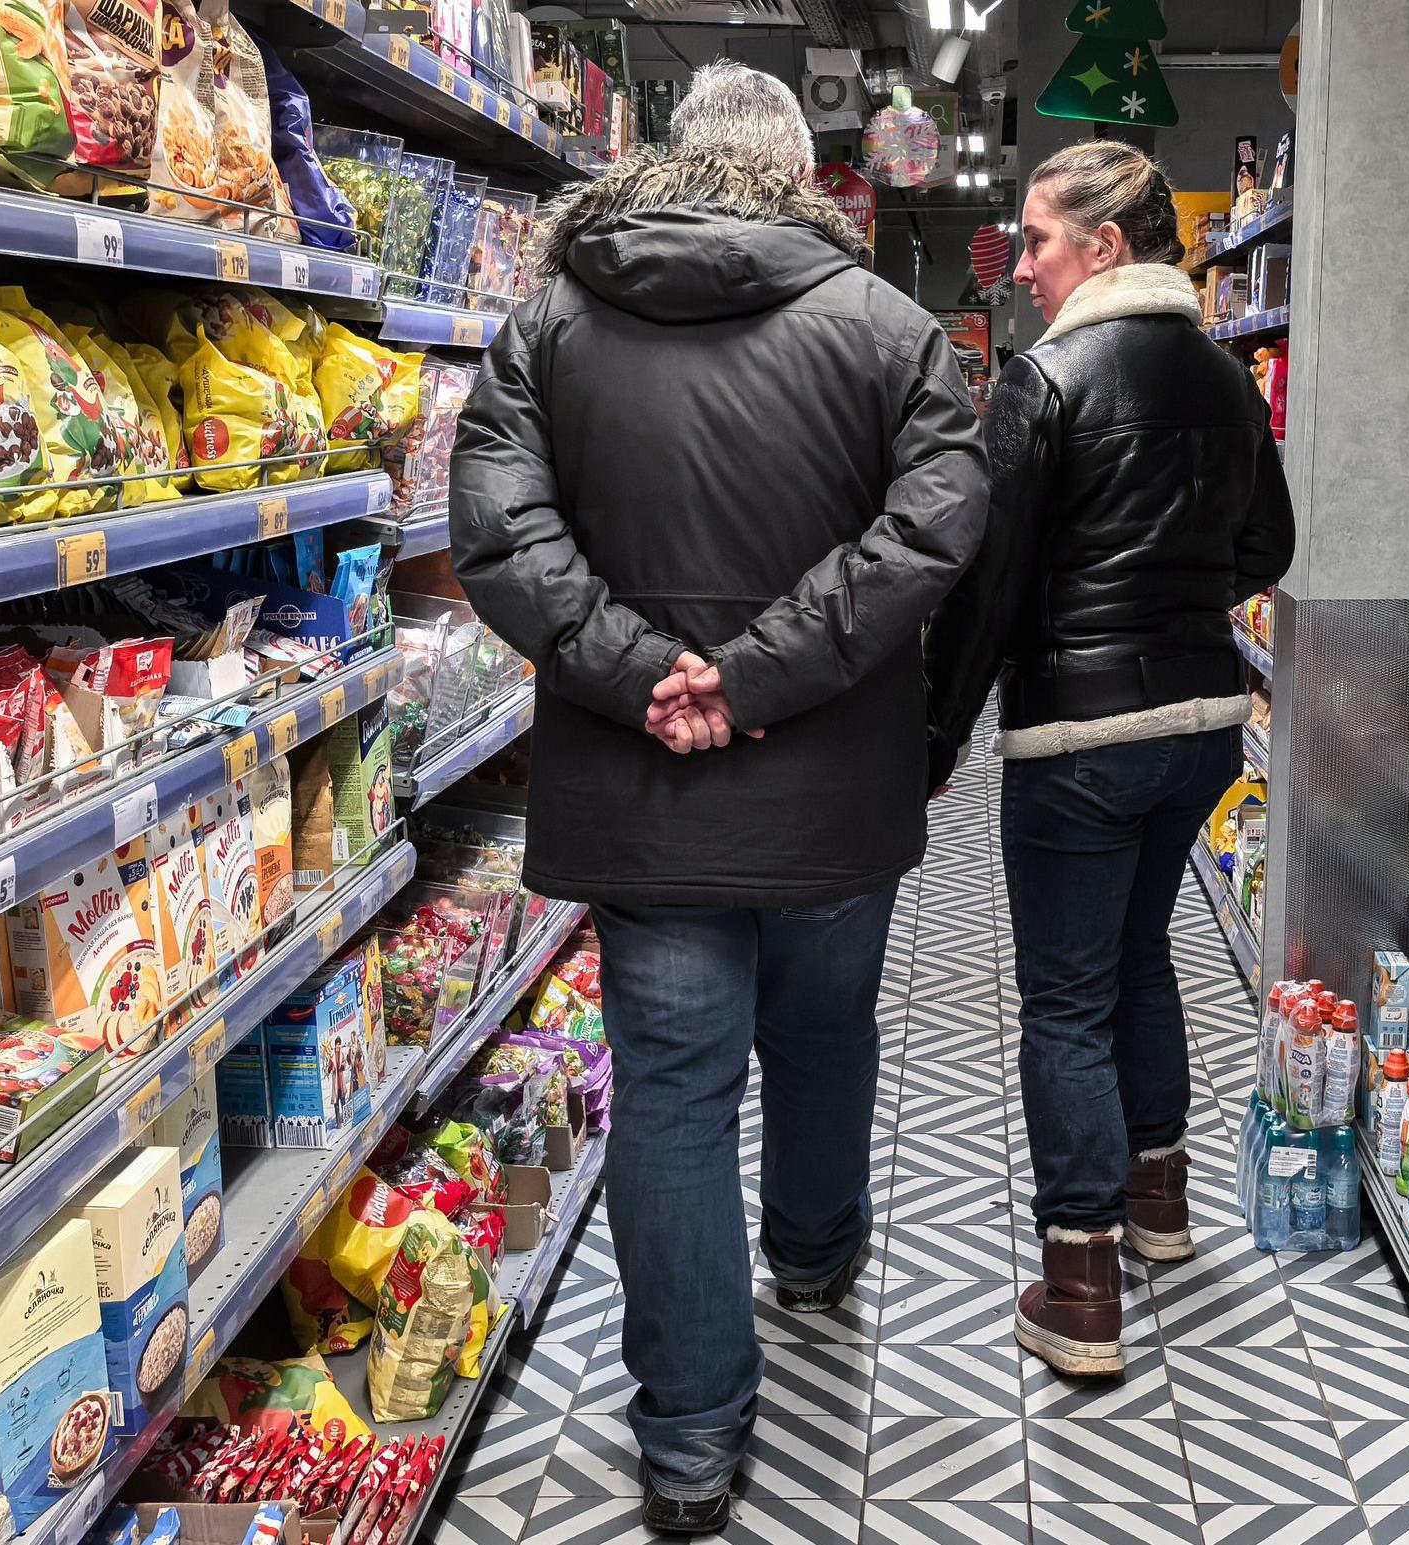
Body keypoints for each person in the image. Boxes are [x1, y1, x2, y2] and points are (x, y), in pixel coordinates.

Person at [447, 62, 989, 1535]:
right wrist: (758, 675)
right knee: (823, 1039)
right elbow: (935, 525)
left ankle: (688, 1435)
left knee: (673, 1103)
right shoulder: (887, 329)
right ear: (800, 173)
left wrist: (647, 673)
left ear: (666, 161)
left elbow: (495, 528)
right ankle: (813, 1253)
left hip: (647, 793)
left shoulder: (549, 322)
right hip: (829, 797)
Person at [924, 140, 1293, 1378]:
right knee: (1142, 955)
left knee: (1065, 1000)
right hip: (1199, 730)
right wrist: (1180, 609)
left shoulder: (1046, 378)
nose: (1019, 265)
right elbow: (1270, 547)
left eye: (1036, 240)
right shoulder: (1229, 379)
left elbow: (990, 585)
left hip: (1077, 741)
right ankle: (1162, 1202)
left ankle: (1080, 1282)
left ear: (1107, 245)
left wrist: (934, 736)